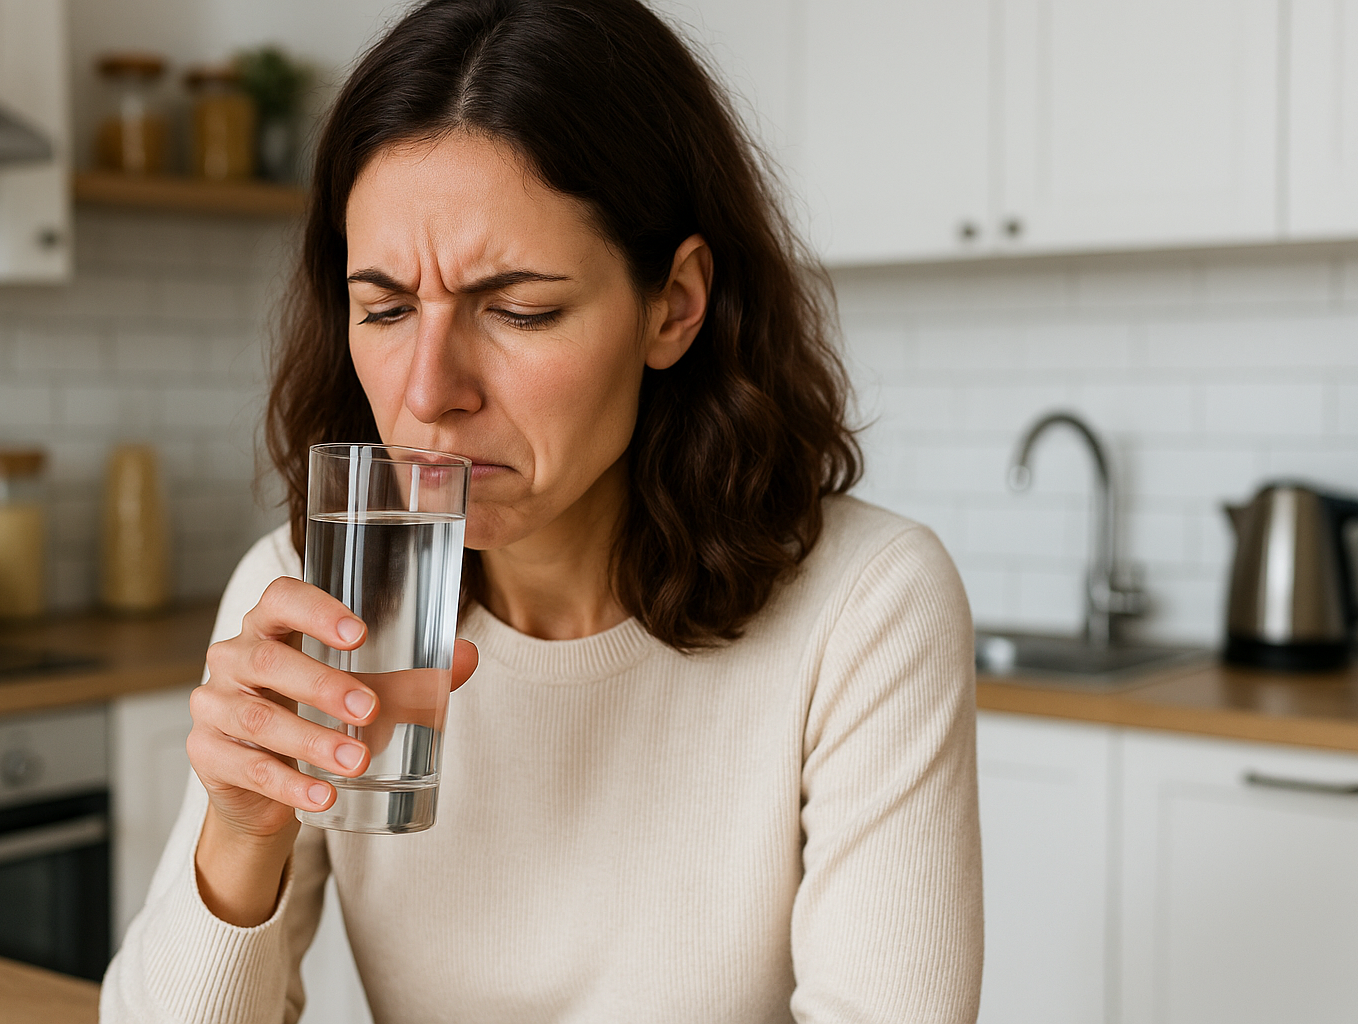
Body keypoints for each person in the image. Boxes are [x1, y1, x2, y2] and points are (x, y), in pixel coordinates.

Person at [101, 0, 982, 1020]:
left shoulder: (866, 607)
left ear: (674, 304)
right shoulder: (308, 601)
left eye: (519, 309)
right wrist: (240, 837)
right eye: (385, 308)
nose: (430, 390)